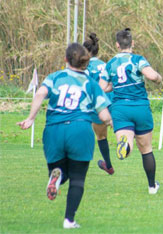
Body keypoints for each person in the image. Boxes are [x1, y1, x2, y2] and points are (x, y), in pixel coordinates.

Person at [17, 43, 112, 228]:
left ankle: (57, 177)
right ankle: (69, 220)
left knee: (59, 169)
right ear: (85, 62)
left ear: (66, 59)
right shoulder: (91, 84)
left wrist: (30, 118)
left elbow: (40, 94)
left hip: (53, 130)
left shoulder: (55, 77)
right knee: (77, 178)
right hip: (80, 129)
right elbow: (103, 115)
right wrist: (112, 122)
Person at [99, 28, 162, 194]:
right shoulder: (138, 60)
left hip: (120, 109)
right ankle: (152, 186)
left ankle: (125, 145)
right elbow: (151, 76)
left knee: (127, 146)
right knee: (146, 149)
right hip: (140, 107)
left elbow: (102, 88)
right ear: (132, 43)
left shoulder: (110, 63)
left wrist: (115, 85)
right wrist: (158, 78)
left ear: (117, 45)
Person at [83, 33, 114, 175]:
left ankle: (108, 165)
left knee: (101, 137)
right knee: (117, 127)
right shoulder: (105, 65)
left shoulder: (85, 67)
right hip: (112, 101)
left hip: (97, 106)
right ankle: (125, 141)